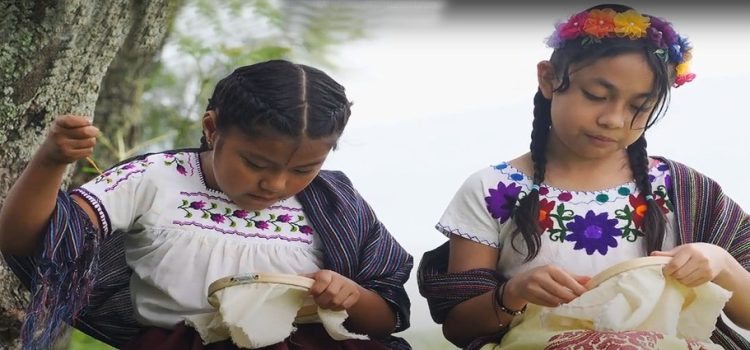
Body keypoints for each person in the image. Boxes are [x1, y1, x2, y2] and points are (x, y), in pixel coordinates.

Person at [0, 60, 413, 349]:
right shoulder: (153, 179)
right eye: (254, 163)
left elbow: (388, 318)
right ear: (213, 129)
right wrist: (50, 162)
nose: (276, 183)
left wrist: (351, 296)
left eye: (305, 168)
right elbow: (25, 242)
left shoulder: (335, 203)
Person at [417, 4, 750, 349]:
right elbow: (459, 328)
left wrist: (720, 261)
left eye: (639, 106)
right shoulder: (493, 189)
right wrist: (512, 294)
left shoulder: (683, 189)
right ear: (548, 79)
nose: (614, 119)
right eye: (596, 95)